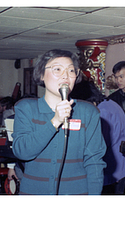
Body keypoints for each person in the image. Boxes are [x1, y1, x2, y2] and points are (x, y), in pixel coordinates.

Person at [12, 49, 106, 195]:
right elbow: (22, 152)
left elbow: (94, 162)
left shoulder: (88, 112)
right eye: (57, 69)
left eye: (71, 70)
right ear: (42, 74)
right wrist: (55, 121)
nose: (65, 76)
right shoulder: (25, 108)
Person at [70, 78, 125, 194]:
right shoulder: (109, 103)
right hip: (122, 164)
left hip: (114, 168)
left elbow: (98, 145)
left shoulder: (102, 112)